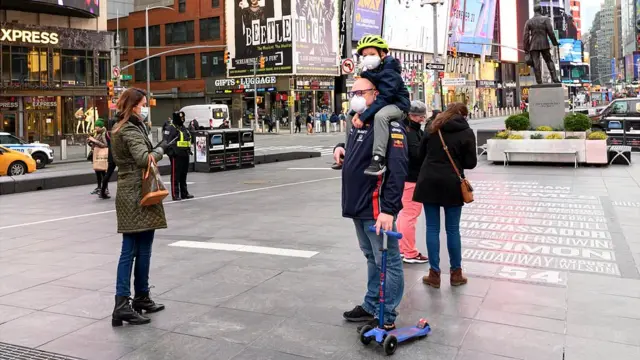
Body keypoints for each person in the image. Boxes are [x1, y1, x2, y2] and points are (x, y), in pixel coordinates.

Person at [335, 77, 408, 331]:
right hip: (357, 204)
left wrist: (389, 209)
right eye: (351, 92)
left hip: (377, 206)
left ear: (375, 94)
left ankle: (386, 312)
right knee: (371, 256)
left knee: (388, 260)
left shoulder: (388, 122)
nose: (354, 97)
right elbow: (358, 148)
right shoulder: (357, 119)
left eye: (360, 92)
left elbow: (398, 167)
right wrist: (341, 147)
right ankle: (371, 304)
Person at [110, 88, 168, 326]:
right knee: (130, 249)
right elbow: (144, 159)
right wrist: (162, 149)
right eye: (144, 104)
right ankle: (122, 304)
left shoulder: (129, 127)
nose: (146, 107)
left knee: (144, 248)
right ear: (133, 106)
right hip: (136, 194)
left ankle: (141, 297)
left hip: (137, 192)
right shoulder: (128, 129)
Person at [413, 103, 477, 289]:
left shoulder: (432, 127)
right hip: (452, 183)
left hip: (429, 181)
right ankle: (456, 274)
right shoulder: (466, 132)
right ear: (463, 115)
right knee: (452, 229)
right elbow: (471, 163)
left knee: (432, 228)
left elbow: (420, 154)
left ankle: (434, 274)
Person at [351, 34, 410, 176]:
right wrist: (357, 113)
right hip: (380, 103)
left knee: (381, 116)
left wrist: (364, 116)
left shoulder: (391, 71)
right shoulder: (369, 71)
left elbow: (384, 98)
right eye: (365, 55)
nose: (368, 58)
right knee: (350, 115)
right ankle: (350, 150)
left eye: (372, 54)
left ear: (382, 54)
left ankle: (378, 159)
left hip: (397, 106)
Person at [396, 101, 429, 264]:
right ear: (411, 115)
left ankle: (402, 248)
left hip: (404, 178)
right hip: (412, 178)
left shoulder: (402, 128)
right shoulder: (411, 132)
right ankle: (409, 252)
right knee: (410, 215)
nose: (422, 120)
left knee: (404, 215)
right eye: (420, 117)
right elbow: (417, 155)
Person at [164, 111, 194, 201]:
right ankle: (175, 194)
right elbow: (166, 142)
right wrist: (172, 153)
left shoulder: (183, 128)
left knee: (183, 175)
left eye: (183, 118)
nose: (182, 119)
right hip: (176, 155)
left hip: (185, 153)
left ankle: (184, 193)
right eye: (181, 118)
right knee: (175, 175)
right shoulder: (170, 128)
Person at [99, 116, 118, 199]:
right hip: (118, 154)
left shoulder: (107, 133)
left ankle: (102, 191)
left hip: (111, 155)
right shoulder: (117, 132)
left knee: (108, 174)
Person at [89, 119, 108, 195]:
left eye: (97, 126)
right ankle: (99, 187)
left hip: (101, 155)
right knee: (97, 172)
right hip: (96, 154)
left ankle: (105, 188)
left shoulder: (103, 133)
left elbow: (105, 144)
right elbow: (94, 144)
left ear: (101, 127)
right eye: (95, 126)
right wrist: (90, 142)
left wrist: (95, 141)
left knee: (102, 172)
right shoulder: (97, 133)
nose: (95, 128)